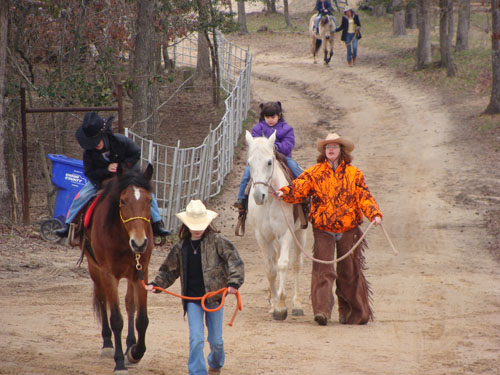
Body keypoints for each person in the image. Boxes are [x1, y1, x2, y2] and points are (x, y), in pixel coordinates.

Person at [276, 133, 382, 326]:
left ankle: (354, 313)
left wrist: (374, 213)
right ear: (324, 151)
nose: (331, 149)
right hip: (323, 228)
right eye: (327, 147)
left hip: (349, 228)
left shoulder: (354, 174)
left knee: (349, 271)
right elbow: (298, 188)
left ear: (341, 150)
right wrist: (283, 193)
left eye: (334, 146)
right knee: (322, 269)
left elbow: (364, 196)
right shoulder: (314, 173)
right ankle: (322, 311)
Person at [146, 200, 245, 375]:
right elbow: (169, 270)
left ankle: (215, 364)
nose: (197, 228)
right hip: (192, 300)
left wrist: (233, 283)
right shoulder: (181, 246)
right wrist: (157, 284)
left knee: (216, 341)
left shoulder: (217, 241)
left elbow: (234, 262)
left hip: (214, 298)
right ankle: (198, 372)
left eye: (200, 225)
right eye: (193, 225)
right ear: (187, 225)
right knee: (196, 339)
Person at [54, 112, 170, 238]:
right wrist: (107, 170)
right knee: (81, 196)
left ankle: (157, 224)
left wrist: (122, 167)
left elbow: (135, 153)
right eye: (92, 142)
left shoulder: (121, 141)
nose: (96, 145)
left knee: (147, 194)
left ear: (104, 135)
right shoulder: (88, 153)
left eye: (97, 141)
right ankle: (68, 224)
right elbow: (90, 172)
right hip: (102, 180)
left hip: (128, 176)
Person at [234, 101, 303, 209]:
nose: (270, 119)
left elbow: (289, 144)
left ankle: (305, 195)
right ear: (264, 116)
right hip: (262, 159)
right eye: (267, 117)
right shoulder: (257, 129)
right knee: (247, 173)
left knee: (295, 168)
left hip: (282, 157)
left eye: (273, 117)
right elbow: (255, 144)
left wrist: (276, 147)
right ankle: (241, 198)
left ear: (279, 115)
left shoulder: (287, 129)